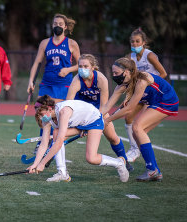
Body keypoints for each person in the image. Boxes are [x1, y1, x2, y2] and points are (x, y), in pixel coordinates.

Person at [42, 54, 133, 182]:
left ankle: (124, 162)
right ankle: (62, 171)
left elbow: (104, 106)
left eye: (85, 66)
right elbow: (69, 103)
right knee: (58, 135)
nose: (82, 69)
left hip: (98, 113)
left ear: (93, 68)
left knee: (112, 138)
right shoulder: (77, 80)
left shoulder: (101, 79)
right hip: (79, 114)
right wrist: (80, 125)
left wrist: (90, 124)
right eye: (80, 66)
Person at [101, 57, 178, 181]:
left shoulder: (141, 80)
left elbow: (129, 109)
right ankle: (154, 170)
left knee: (137, 127)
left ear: (126, 71)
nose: (114, 75)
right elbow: (107, 106)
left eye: (116, 73)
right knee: (137, 134)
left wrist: (108, 120)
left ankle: (152, 170)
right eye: (113, 73)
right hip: (153, 101)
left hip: (166, 100)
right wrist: (96, 118)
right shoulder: (121, 85)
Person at [27, 95, 129, 183]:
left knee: (91, 158)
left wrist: (42, 163)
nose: (40, 117)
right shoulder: (47, 118)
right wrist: (35, 164)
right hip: (79, 123)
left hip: (93, 120)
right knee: (56, 132)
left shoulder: (63, 112)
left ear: (50, 109)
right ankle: (62, 173)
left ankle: (119, 163)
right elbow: (44, 143)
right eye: (38, 114)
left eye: (41, 114)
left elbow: (58, 142)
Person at [27, 13, 80, 152]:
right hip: (47, 84)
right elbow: (37, 62)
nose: (58, 26)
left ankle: (54, 142)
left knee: (57, 113)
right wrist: (30, 81)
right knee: (42, 110)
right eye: (55, 24)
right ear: (52, 26)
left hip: (63, 84)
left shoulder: (71, 43)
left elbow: (81, 64)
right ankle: (41, 143)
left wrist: (68, 70)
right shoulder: (45, 43)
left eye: (60, 24)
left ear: (66, 27)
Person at [124, 28, 168, 162]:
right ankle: (134, 149)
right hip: (140, 92)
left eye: (137, 41)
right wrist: (128, 95)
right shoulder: (129, 57)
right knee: (128, 117)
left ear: (143, 42)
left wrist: (151, 85)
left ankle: (145, 154)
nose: (135, 44)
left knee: (140, 126)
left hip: (154, 93)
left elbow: (163, 73)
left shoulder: (150, 56)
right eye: (132, 42)